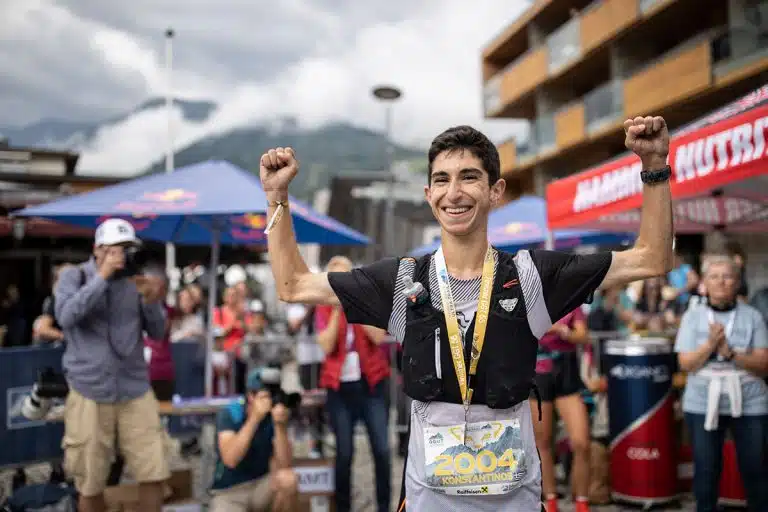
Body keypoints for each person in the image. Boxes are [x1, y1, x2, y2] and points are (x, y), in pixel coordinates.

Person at [259, 115, 674, 511]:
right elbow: (293, 284)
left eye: (469, 177)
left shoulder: (530, 277)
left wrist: (654, 167)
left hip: (512, 502)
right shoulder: (403, 282)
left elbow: (652, 258)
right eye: (442, 180)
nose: (453, 192)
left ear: (496, 191)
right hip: (430, 501)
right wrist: (277, 197)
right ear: (429, 195)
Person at [54, 218, 169, 512]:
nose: (122, 256)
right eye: (115, 249)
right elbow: (65, 317)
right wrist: (102, 277)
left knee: (154, 472)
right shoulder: (75, 276)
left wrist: (152, 302)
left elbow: (157, 333)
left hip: (135, 389)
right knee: (90, 481)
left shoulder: (136, 280)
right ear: (97, 250)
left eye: (127, 249)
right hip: (89, 390)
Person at [674, 255, 768, 512]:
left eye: (727, 276)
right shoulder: (693, 317)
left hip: (750, 399)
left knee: (756, 468)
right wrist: (711, 345)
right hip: (702, 400)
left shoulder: (753, 316)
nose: (721, 282)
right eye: (714, 277)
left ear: (737, 282)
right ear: (704, 282)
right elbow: (685, 363)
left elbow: (763, 364)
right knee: (706, 470)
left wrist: (731, 353)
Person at [315, 255, 392, 512]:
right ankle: (343, 507)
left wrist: (355, 306)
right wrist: (338, 310)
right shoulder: (323, 308)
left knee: (382, 450)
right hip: (339, 390)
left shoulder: (367, 301)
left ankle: (384, 506)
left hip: (371, 385)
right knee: (344, 453)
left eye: (346, 277)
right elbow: (326, 345)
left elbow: (378, 337)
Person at [210, 368, 298, 512]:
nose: (271, 400)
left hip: (260, 486)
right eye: (266, 396)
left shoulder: (274, 414)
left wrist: (280, 426)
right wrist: (254, 419)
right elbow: (230, 460)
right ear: (251, 396)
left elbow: (285, 465)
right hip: (230, 492)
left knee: (288, 480)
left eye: (274, 395)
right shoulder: (230, 413)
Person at [532, 307, 592, 512]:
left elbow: (583, 335)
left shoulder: (571, 301)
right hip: (538, 375)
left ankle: (582, 503)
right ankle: (551, 502)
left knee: (581, 443)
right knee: (543, 443)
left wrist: (562, 331)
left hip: (567, 374)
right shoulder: (533, 299)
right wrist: (559, 329)